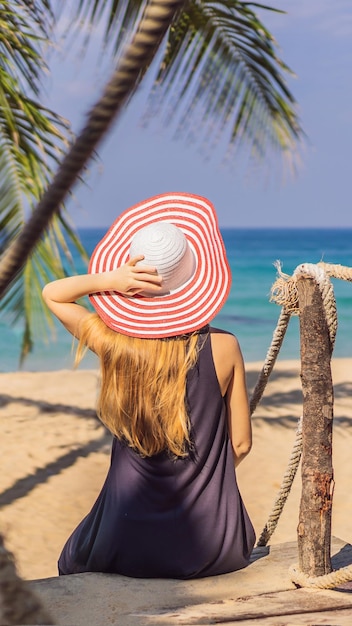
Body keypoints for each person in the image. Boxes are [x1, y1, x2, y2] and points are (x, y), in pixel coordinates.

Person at [42, 192, 255, 579]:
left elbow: (53, 294)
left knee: (73, 557)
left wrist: (112, 280)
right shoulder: (225, 347)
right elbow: (240, 444)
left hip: (123, 543)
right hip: (214, 545)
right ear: (197, 278)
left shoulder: (115, 345)